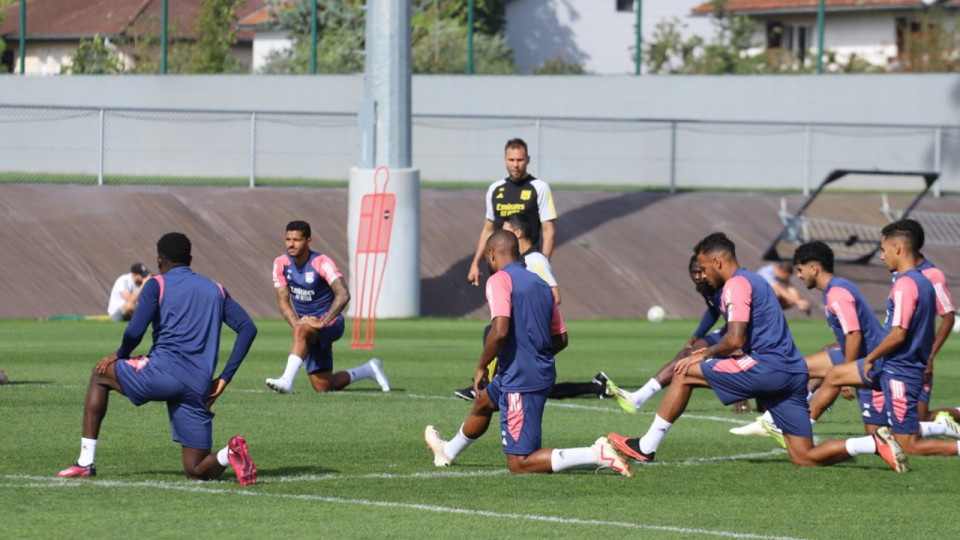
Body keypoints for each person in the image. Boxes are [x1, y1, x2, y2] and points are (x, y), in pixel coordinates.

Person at [608, 232, 908, 473]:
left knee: (683, 372)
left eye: (703, 267)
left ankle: (645, 447)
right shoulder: (756, 280)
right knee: (805, 456)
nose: (702, 274)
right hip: (793, 374)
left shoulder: (734, 286)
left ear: (717, 261)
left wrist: (702, 354)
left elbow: (735, 340)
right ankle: (873, 443)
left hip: (768, 369)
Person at [58, 233, 259, 485]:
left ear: (159, 261)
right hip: (199, 385)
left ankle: (85, 462)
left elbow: (135, 330)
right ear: (190, 259)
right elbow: (248, 329)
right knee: (195, 469)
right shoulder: (216, 289)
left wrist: (119, 355)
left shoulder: (157, 284)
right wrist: (225, 378)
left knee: (100, 374)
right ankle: (228, 454)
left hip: (161, 374)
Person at [426, 231, 632, 477]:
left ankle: (594, 453)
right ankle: (447, 451)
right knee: (483, 402)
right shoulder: (541, 284)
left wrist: (482, 366)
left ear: (491, 254)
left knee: (520, 463)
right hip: (535, 372)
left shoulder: (499, 280)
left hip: (520, 379)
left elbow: (499, 330)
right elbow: (561, 339)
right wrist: (531, 355)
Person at [805, 220, 960, 457]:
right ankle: (797, 432)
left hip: (900, 370)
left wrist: (872, 357)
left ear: (897, 248)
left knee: (908, 445)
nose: (881, 256)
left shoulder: (906, 285)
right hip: (893, 365)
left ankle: (943, 432)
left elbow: (898, 333)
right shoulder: (921, 281)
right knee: (836, 375)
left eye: (883, 249)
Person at [454, 213, 616, 402]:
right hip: (528, 331)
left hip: (534, 330)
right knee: (537, 385)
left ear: (518, 233)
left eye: (505, 231)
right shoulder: (521, 261)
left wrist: (528, 313)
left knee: (496, 333)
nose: (501, 236)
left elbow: (554, 295)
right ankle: (596, 385)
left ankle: (486, 385)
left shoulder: (536, 260)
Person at [611, 255, 754, 415]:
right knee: (686, 354)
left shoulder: (724, 288)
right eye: (694, 272)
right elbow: (713, 309)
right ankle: (638, 398)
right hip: (727, 331)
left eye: (701, 271)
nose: (698, 276)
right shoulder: (705, 287)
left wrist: (740, 392)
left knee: (764, 403)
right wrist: (696, 336)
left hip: (745, 337)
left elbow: (737, 335)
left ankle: (741, 391)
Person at [266, 220, 389, 394]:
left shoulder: (321, 262)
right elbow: (283, 302)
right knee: (323, 387)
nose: (291, 244)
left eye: (296, 240)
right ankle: (368, 369)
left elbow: (344, 294)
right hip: (307, 328)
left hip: (331, 323)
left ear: (308, 241)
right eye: (288, 239)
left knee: (302, 331)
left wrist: (322, 322)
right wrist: (299, 327)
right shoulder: (280, 263)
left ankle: (286, 381)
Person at [467, 138, 557, 287]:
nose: (515, 165)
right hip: (500, 264)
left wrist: (544, 266)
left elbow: (549, 232)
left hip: (528, 264)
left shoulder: (540, 188)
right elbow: (488, 230)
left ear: (528, 160)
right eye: (511, 160)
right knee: (500, 306)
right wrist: (475, 263)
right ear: (504, 160)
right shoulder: (495, 189)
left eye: (520, 160)